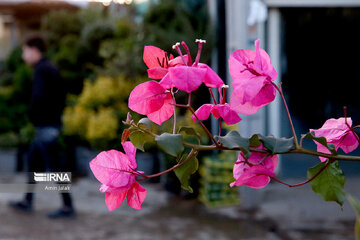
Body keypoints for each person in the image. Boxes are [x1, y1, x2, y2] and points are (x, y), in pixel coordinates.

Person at [9, 37, 75, 218]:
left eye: (24, 51)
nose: (23, 56)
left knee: (56, 169)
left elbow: (39, 98)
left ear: (33, 50)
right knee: (34, 163)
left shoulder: (42, 70)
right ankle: (27, 200)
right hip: (48, 127)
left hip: (46, 127)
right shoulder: (49, 68)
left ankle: (68, 206)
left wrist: (34, 115)